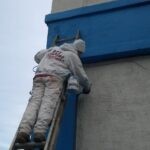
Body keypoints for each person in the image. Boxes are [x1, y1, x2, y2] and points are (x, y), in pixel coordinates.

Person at [16, 39, 91, 143]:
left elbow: (37, 56)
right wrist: (87, 87)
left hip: (39, 77)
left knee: (34, 104)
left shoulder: (52, 49)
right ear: (78, 51)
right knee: (48, 104)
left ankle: (23, 131)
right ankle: (39, 132)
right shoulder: (72, 56)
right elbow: (80, 75)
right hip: (54, 79)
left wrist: (46, 60)